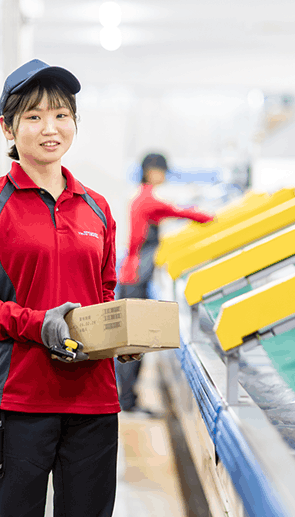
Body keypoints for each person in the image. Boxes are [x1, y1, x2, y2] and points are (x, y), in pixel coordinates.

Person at [0, 59, 130, 517]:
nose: (50, 128)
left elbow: (104, 291)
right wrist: (37, 325)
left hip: (93, 401)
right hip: (20, 399)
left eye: (61, 115)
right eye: (33, 117)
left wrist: (119, 337)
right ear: (7, 129)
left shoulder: (97, 208)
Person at [116, 153, 214, 413]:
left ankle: (126, 398)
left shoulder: (141, 197)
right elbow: (180, 213)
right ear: (151, 171)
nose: (165, 176)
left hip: (131, 274)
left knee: (131, 340)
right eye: (162, 171)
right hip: (135, 275)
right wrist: (213, 220)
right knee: (133, 341)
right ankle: (126, 401)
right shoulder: (148, 200)